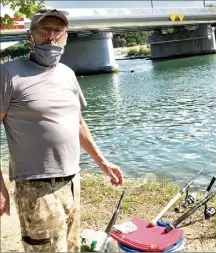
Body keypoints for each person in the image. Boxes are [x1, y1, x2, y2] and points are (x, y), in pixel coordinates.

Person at [0, 8, 123, 252]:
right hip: (35, 187)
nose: (51, 36)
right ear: (29, 36)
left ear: (65, 36)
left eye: (58, 31)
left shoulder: (68, 74)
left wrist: (103, 163)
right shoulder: (8, 73)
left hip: (72, 180)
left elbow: (77, 123)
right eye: (44, 30)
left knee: (72, 247)